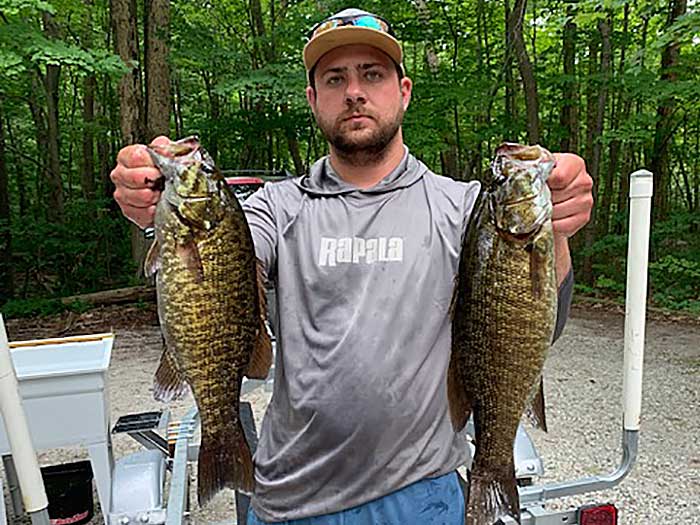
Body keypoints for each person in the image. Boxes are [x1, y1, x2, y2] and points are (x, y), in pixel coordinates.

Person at [111, 8, 593, 525]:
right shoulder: (276, 208)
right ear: (313, 100)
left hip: (422, 497)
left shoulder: (467, 208)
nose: (354, 92)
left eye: (373, 74)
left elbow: (539, 323)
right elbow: (215, 269)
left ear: (403, 91)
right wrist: (153, 206)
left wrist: (558, 232)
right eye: (335, 79)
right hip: (288, 500)